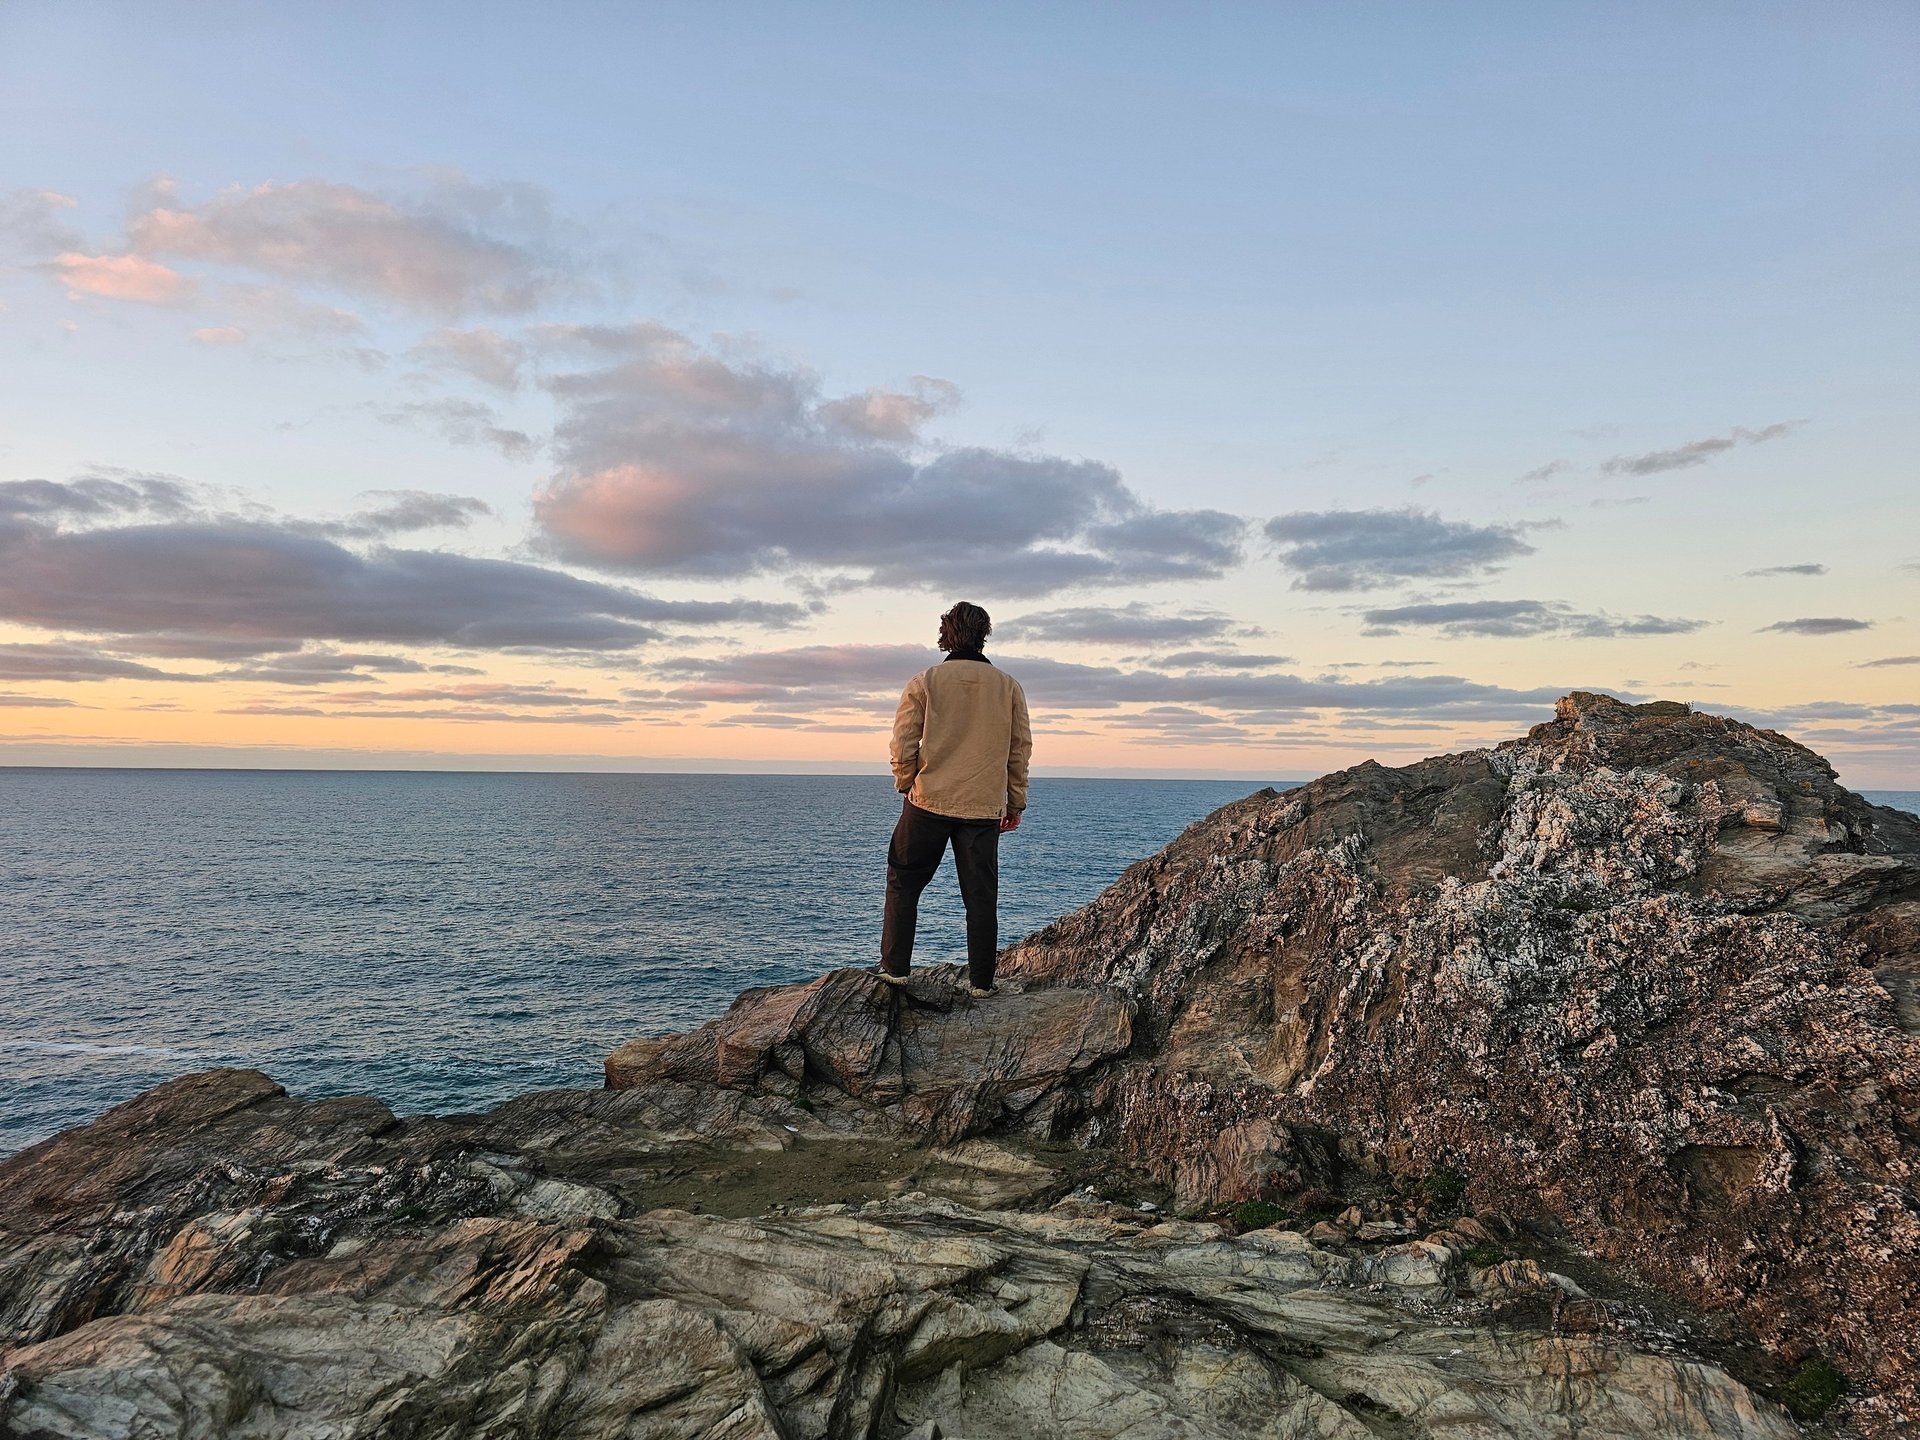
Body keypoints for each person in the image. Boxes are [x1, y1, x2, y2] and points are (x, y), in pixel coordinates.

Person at [882, 601, 1032, 998]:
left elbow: (903, 742)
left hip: (927, 801)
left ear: (946, 635)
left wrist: (905, 782)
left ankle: (895, 971)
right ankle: (981, 983)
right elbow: (1019, 750)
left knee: (903, 883)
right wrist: (1014, 802)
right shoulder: (1008, 687)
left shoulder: (925, 681)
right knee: (980, 898)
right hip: (983, 806)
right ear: (984, 635)